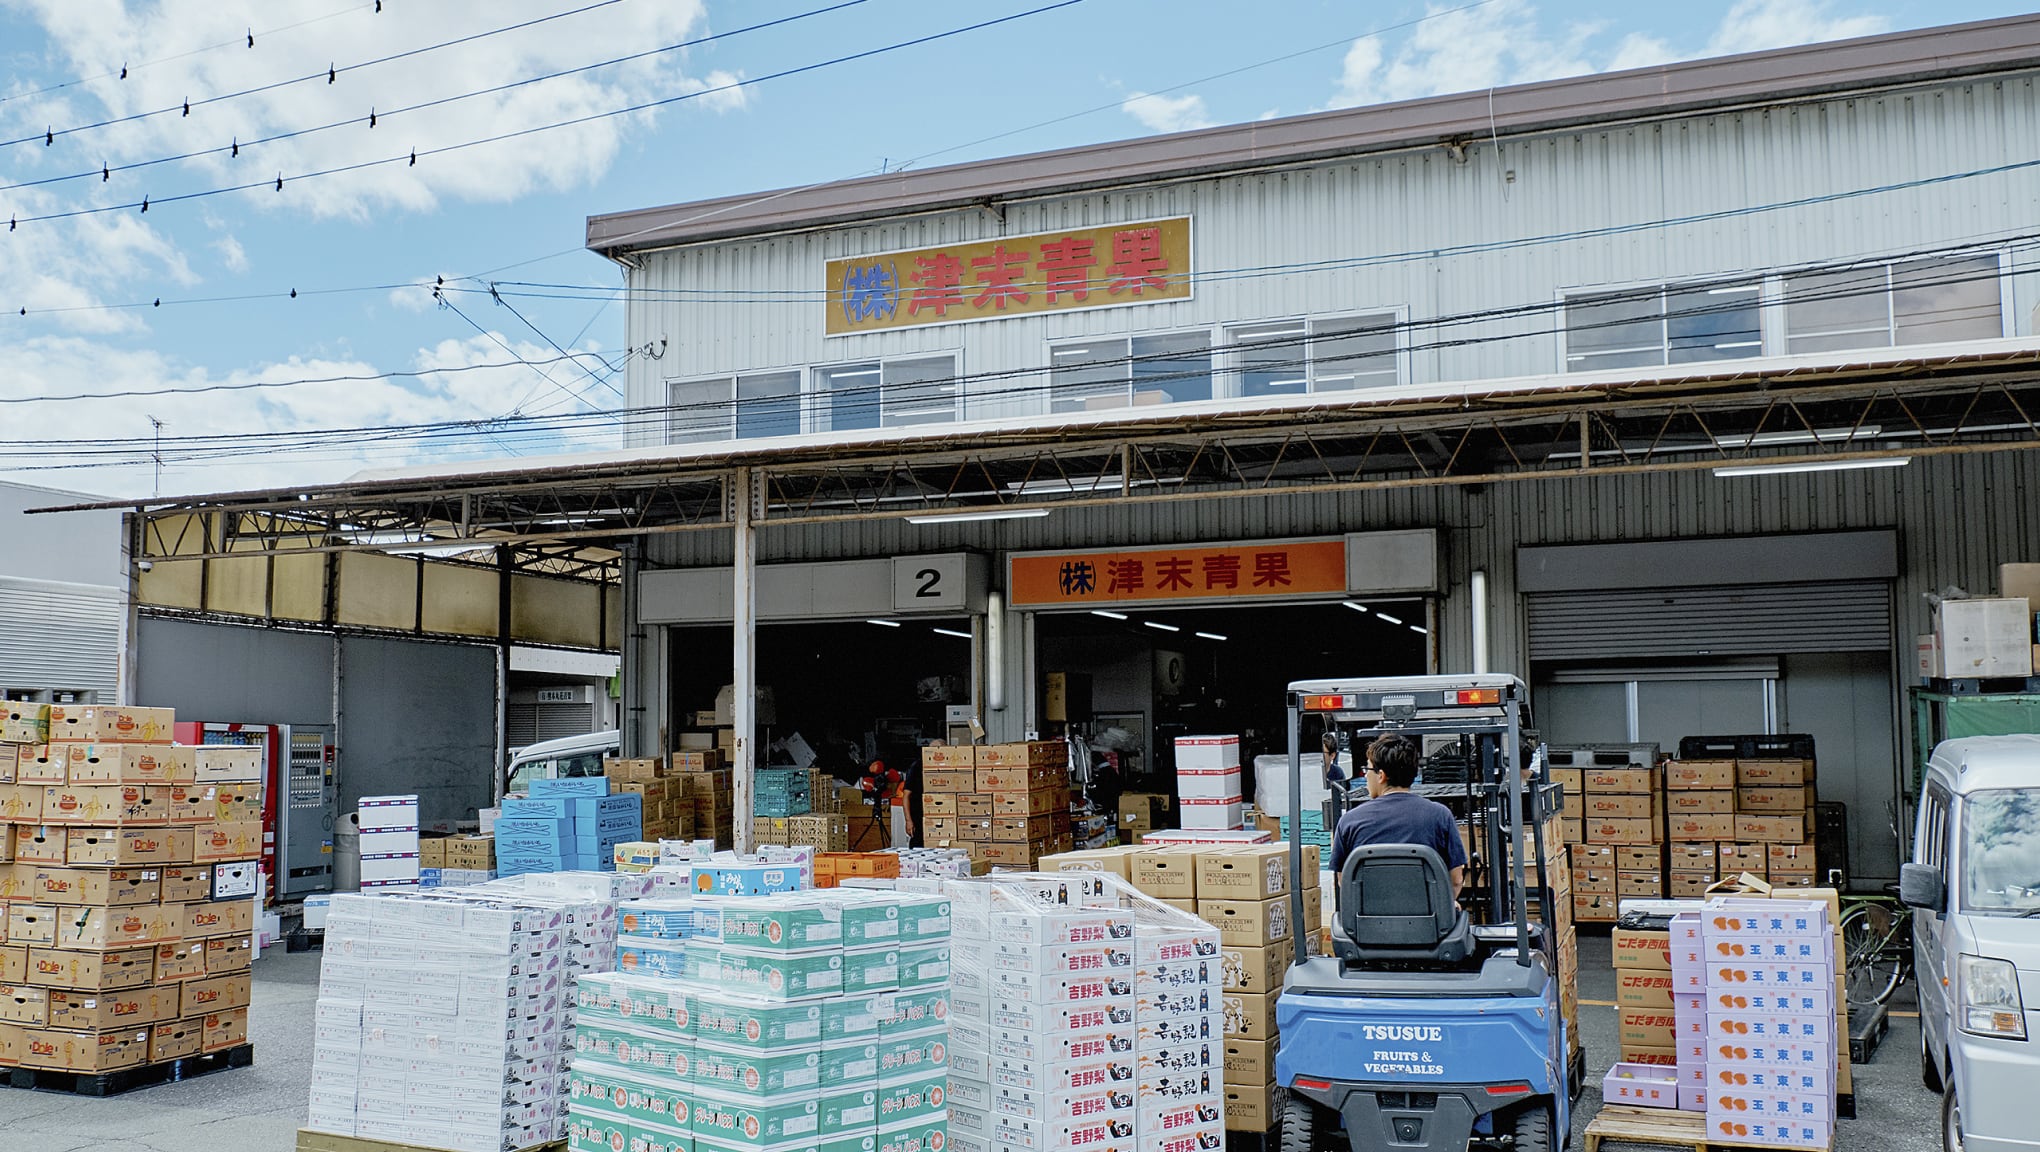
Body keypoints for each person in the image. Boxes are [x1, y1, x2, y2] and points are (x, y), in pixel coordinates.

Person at [1330, 733, 1466, 897]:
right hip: (1428, 920)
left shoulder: (1349, 821)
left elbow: (1343, 881)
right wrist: (1445, 906)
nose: (1365, 775)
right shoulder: (1440, 815)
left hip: (1368, 920)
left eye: (1367, 769)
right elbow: (1456, 880)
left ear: (1381, 775)